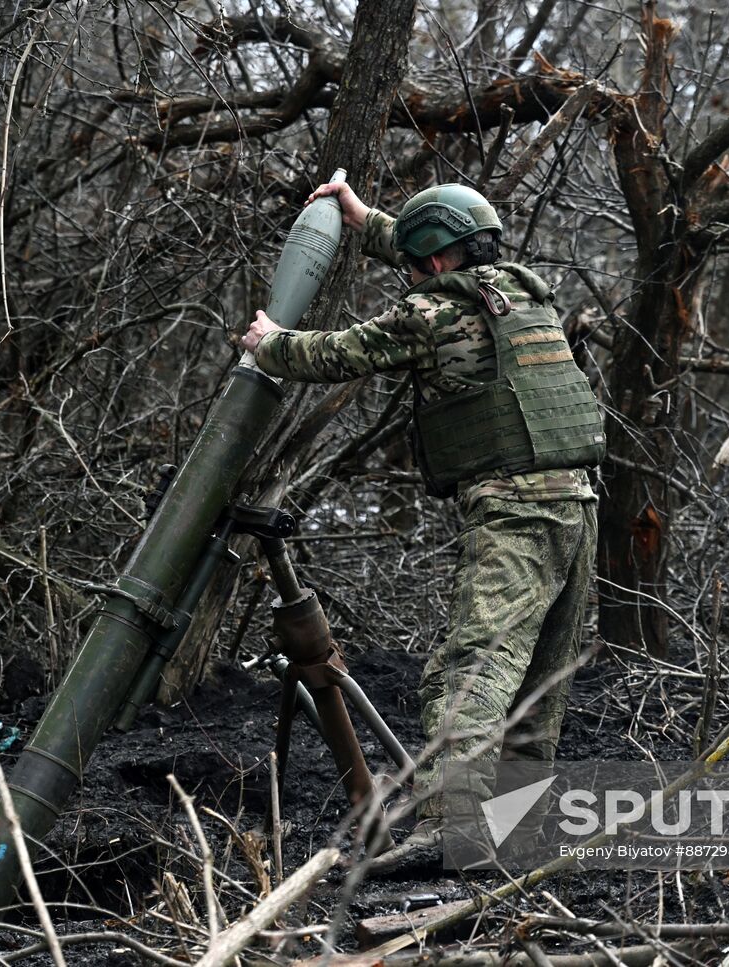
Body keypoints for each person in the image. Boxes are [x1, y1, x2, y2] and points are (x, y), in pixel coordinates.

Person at [240, 181, 604, 875]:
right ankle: (519, 839)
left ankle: (455, 836)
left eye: (413, 263)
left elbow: (339, 353)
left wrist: (271, 342)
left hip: (516, 515)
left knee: (467, 676)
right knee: (536, 687)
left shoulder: (432, 313)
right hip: (580, 505)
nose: (408, 275)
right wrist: (366, 220)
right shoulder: (527, 293)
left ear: (434, 264)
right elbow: (435, 255)